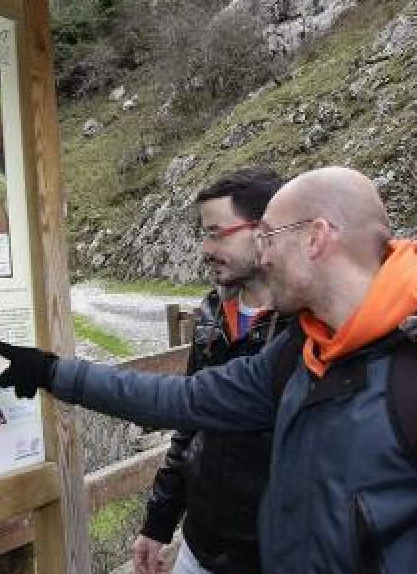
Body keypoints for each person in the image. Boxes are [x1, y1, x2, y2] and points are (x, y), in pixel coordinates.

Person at [0, 166, 417, 574]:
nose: (263, 254)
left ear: (317, 237)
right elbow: (186, 401)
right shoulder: (300, 350)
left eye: (269, 237)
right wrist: (56, 372)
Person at [134, 167, 291, 574]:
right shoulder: (212, 314)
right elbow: (189, 424)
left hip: (273, 556)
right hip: (200, 547)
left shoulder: (307, 324)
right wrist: (158, 523)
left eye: (216, 232)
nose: (205, 248)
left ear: (264, 231)